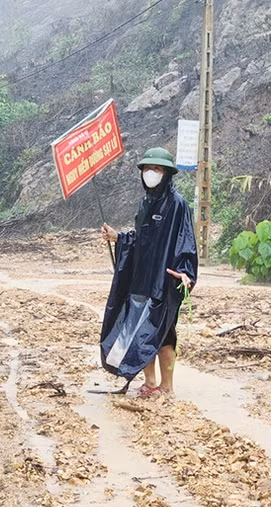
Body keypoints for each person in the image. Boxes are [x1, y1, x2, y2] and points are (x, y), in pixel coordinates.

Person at [99, 148, 198, 397]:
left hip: (164, 282)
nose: (151, 174)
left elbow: (186, 241)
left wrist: (185, 272)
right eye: (147, 169)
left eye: (158, 169)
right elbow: (140, 240)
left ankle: (167, 387)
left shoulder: (177, 205)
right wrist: (118, 237)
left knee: (164, 334)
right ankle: (150, 382)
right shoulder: (145, 204)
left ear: (166, 174)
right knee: (143, 334)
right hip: (141, 281)